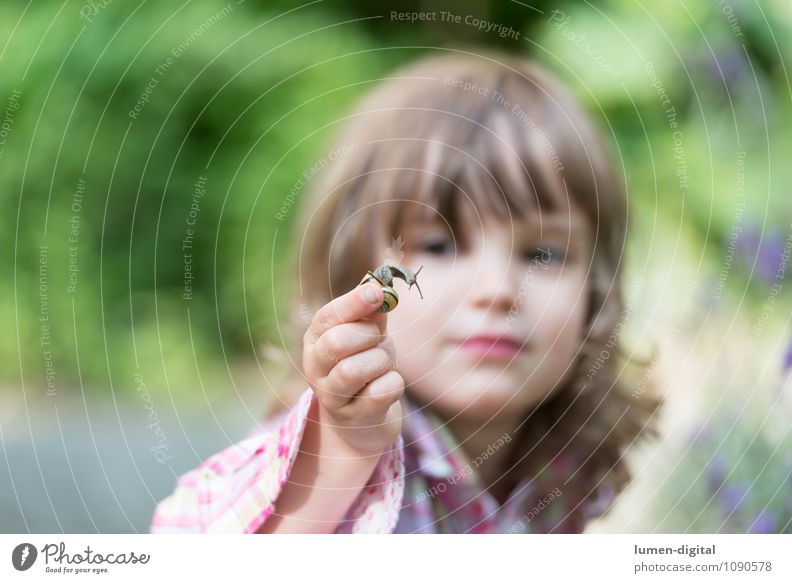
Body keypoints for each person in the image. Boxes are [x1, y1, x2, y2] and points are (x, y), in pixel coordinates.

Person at [150, 50, 662, 534]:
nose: (498, 291)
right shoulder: (342, 438)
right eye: (439, 245)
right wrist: (342, 452)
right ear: (351, 270)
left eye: (543, 255)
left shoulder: (565, 463)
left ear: (597, 294)